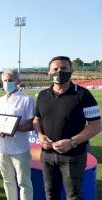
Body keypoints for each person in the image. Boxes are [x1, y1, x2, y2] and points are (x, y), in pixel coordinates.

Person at [33, 56, 101, 200]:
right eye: (55, 69)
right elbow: (36, 119)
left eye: (64, 68)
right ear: (49, 72)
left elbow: (96, 125)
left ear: (71, 71)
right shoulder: (42, 95)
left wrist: (72, 142)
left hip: (73, 156)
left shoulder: (83, 94)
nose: (59, 71)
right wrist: (40, 135)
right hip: (47, 155)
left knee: (73, 196)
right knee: (50, 194)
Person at [0, 69, 34, 200]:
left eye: (10, 80)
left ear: (17, 81)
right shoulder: (0, 100)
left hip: (20, 148)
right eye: (5, 80)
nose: (7, 83)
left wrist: (14, 127)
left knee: (24, 182)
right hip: (1, 147)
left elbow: (31, 124)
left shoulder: (27, 99)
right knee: (7, 180)